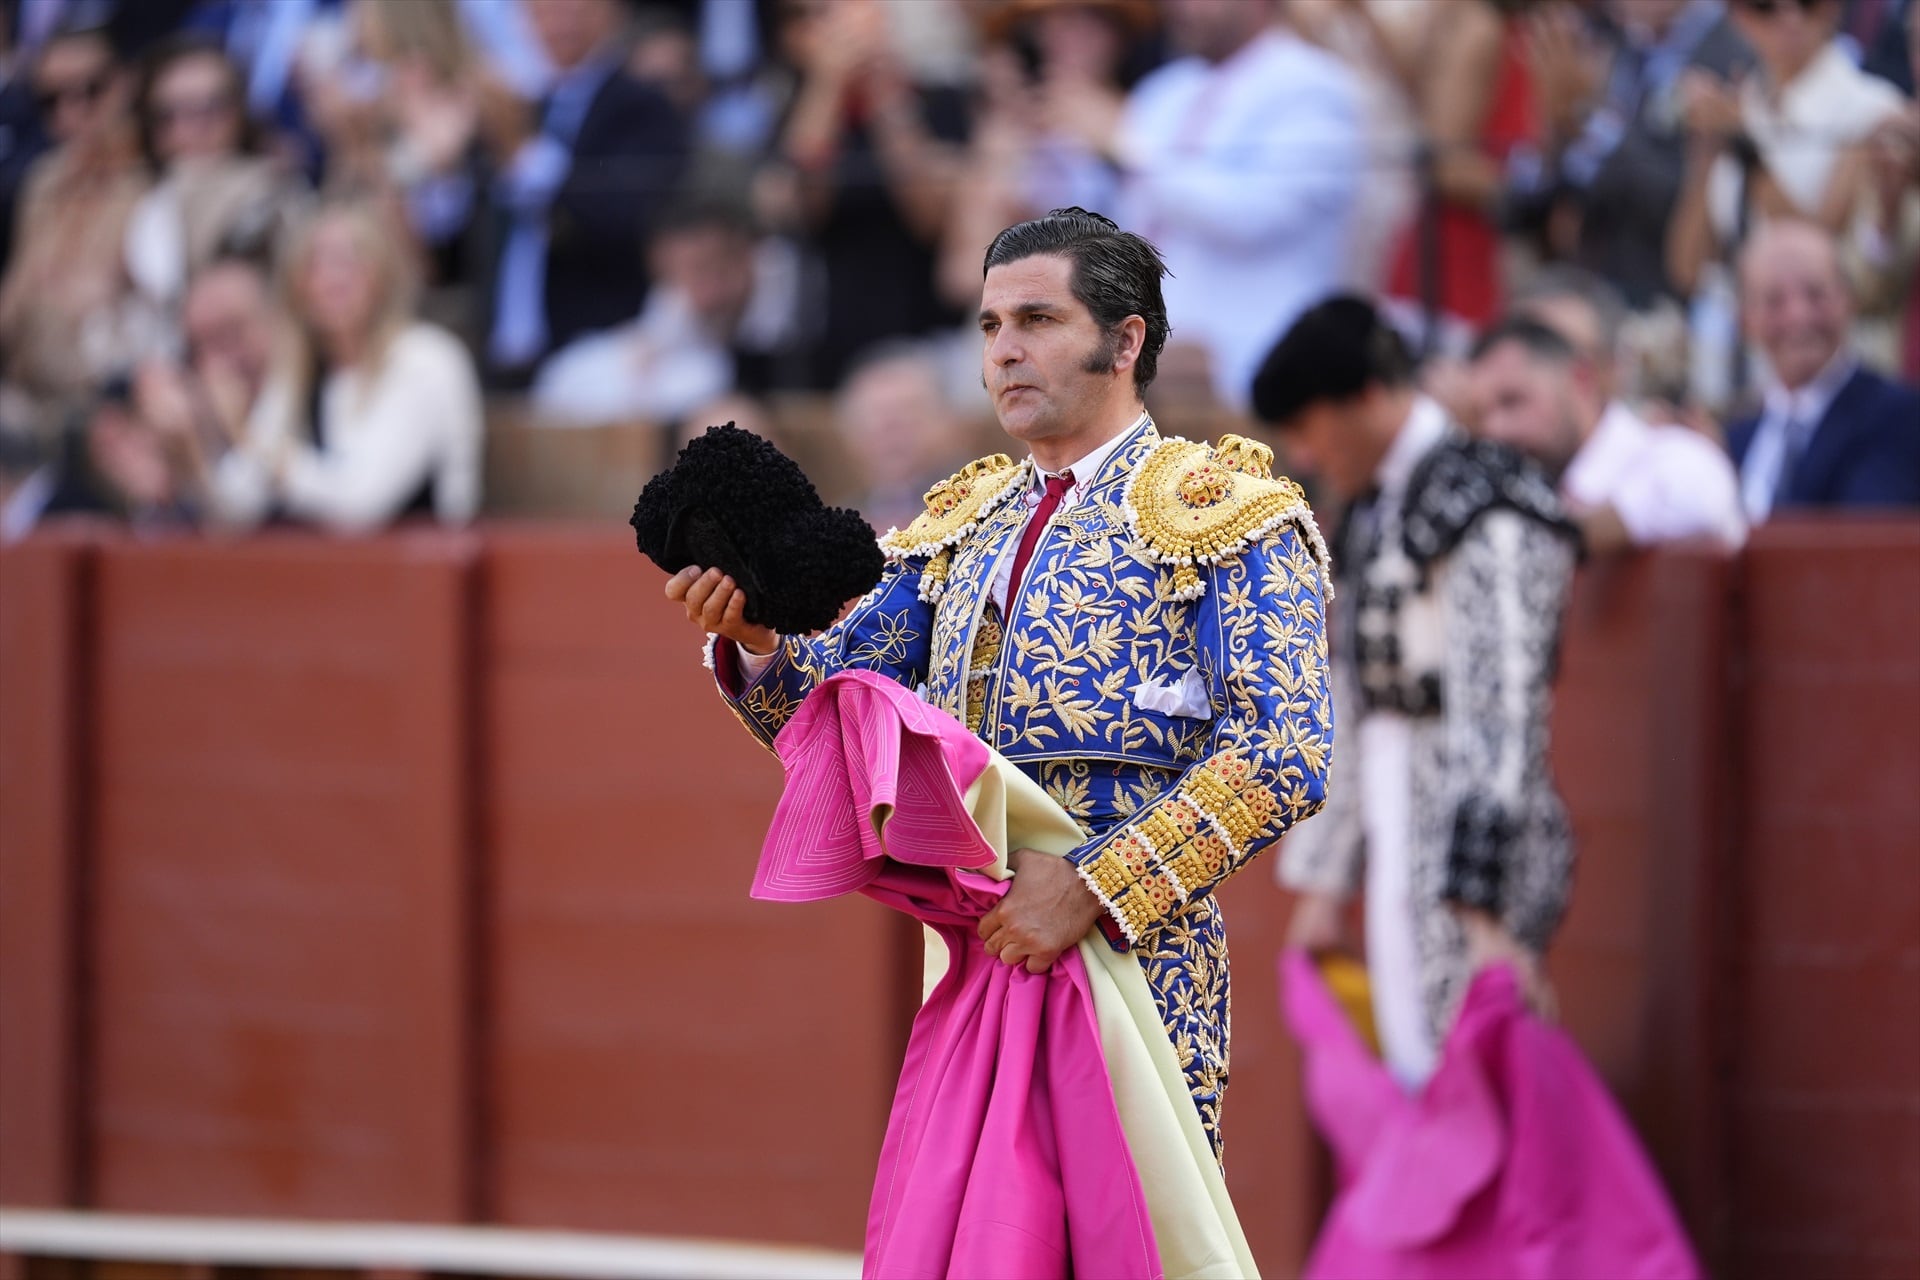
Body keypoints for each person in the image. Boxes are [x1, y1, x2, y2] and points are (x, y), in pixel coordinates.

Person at [665, 207, 1335, 1154]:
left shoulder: (1227, 514)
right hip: (977, 957)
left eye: (1038, 322)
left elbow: (1286, 753)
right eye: (989, 327)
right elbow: (829, 714)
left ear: (1124, 340)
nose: (1005, 352)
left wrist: (1094, 888)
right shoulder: (960, 523)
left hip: (1136, 961)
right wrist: (759, 640)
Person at [1255, 294, 1580, 1090]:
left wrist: (1486, 910)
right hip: (1403, 827)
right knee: (1419, 1068)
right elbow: (1358, 701)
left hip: (1469, 838)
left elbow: (1503, 717)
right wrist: (1328, 883)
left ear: (1367, 397)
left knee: (1475, 1074)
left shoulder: (1486, 499)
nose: (1302, 451)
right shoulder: (1373, 510)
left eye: (1309, 425)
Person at [1069, 0, 1364, 408]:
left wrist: (1129, 147)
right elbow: (1124, 221)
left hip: (1254, 368)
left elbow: (1255, 213)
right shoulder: (1163, 91)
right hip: (1146, 366)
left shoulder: (1312, 84)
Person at [207, 199, 484, 532]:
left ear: (383, 276)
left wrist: (250, 441)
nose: (333, 278)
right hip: (331, 575)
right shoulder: (301, 372)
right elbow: (238, 504)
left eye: (349, 260)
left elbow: (361, 504)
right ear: (297, 287)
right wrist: (190, 449)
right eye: (316, 263)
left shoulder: (426, 360)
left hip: (423, 573)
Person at [1484, 268, 1748, 551]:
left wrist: (1541, 531)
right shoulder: (1495, 473)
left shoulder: (1669, 456)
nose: (1498, 425)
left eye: (1550, 354)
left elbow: (1693, 491)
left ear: (1601, 370)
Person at [530, 196, 811, 425]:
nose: (712, 287)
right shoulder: (597, 362)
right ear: (659, 261)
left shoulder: (783, 342)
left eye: (724, 264)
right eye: (698, 268)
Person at [1728, 217, 1920, 518]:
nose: (1798, 316)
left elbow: (1862, 539)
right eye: (1774, 301)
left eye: (1816, 295)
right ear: (1745, 320)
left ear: (1849, 299)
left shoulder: (1899, 417)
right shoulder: (1737, 439)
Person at [123, 37, 303, 319]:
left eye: (212, 106)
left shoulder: (279, 193)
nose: (196, 126)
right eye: (172, 113)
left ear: (240, 113)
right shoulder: (140, 203)